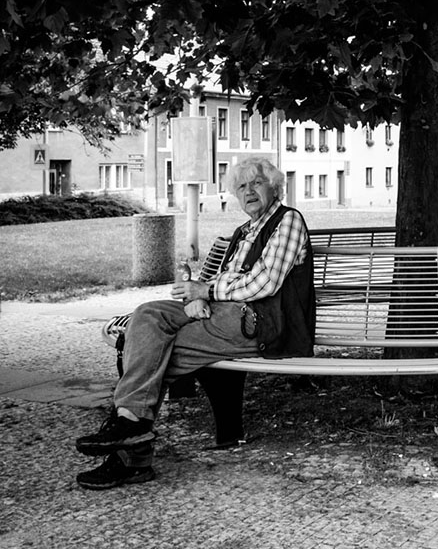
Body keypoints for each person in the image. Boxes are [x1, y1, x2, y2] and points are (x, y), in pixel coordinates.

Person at [74, 156, 314, 489]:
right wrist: (199, 296)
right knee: (148, 316)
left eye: (256, 183)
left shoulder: (289, 221)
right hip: (223, 313)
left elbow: (265, 283)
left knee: (152, 350)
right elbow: (217, 279)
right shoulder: (244, 231)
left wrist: (208, 290)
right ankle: (131, 427)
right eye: (242, 186)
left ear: (274, 186)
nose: (249, 192)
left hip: (258, 322)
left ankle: (129, 446)